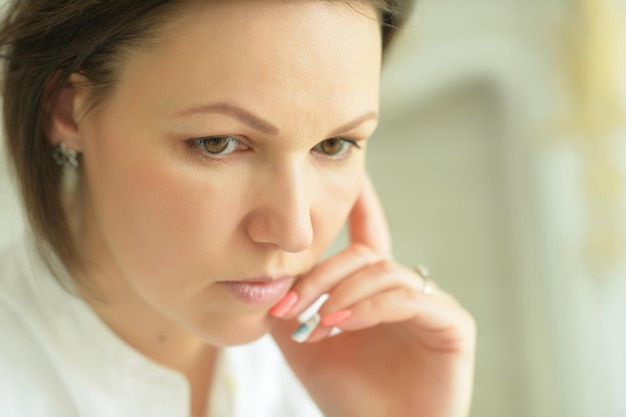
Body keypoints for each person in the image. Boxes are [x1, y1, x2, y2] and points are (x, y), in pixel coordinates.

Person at [0, 1, 476, 416]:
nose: (295, 232)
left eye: (334, 144)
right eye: (218, 143)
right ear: (67, 109)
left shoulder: (349, 373)